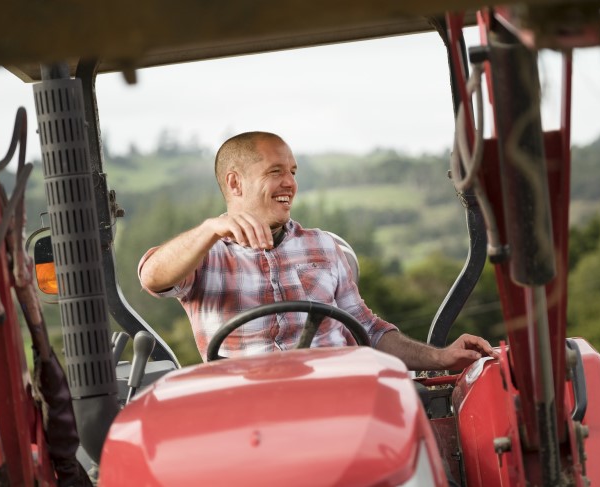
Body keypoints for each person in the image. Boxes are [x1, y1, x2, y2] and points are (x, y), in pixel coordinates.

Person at [138, 131, 496, 369]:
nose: (290, 183)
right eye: (275, 171)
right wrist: (209, 230)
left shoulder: (323, 246)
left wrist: (442, 356)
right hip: (247, 408)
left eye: (292, 171)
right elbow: (153, 276)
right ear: (235, 182)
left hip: (333, 396)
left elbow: (368, 330)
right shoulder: (206, 255)